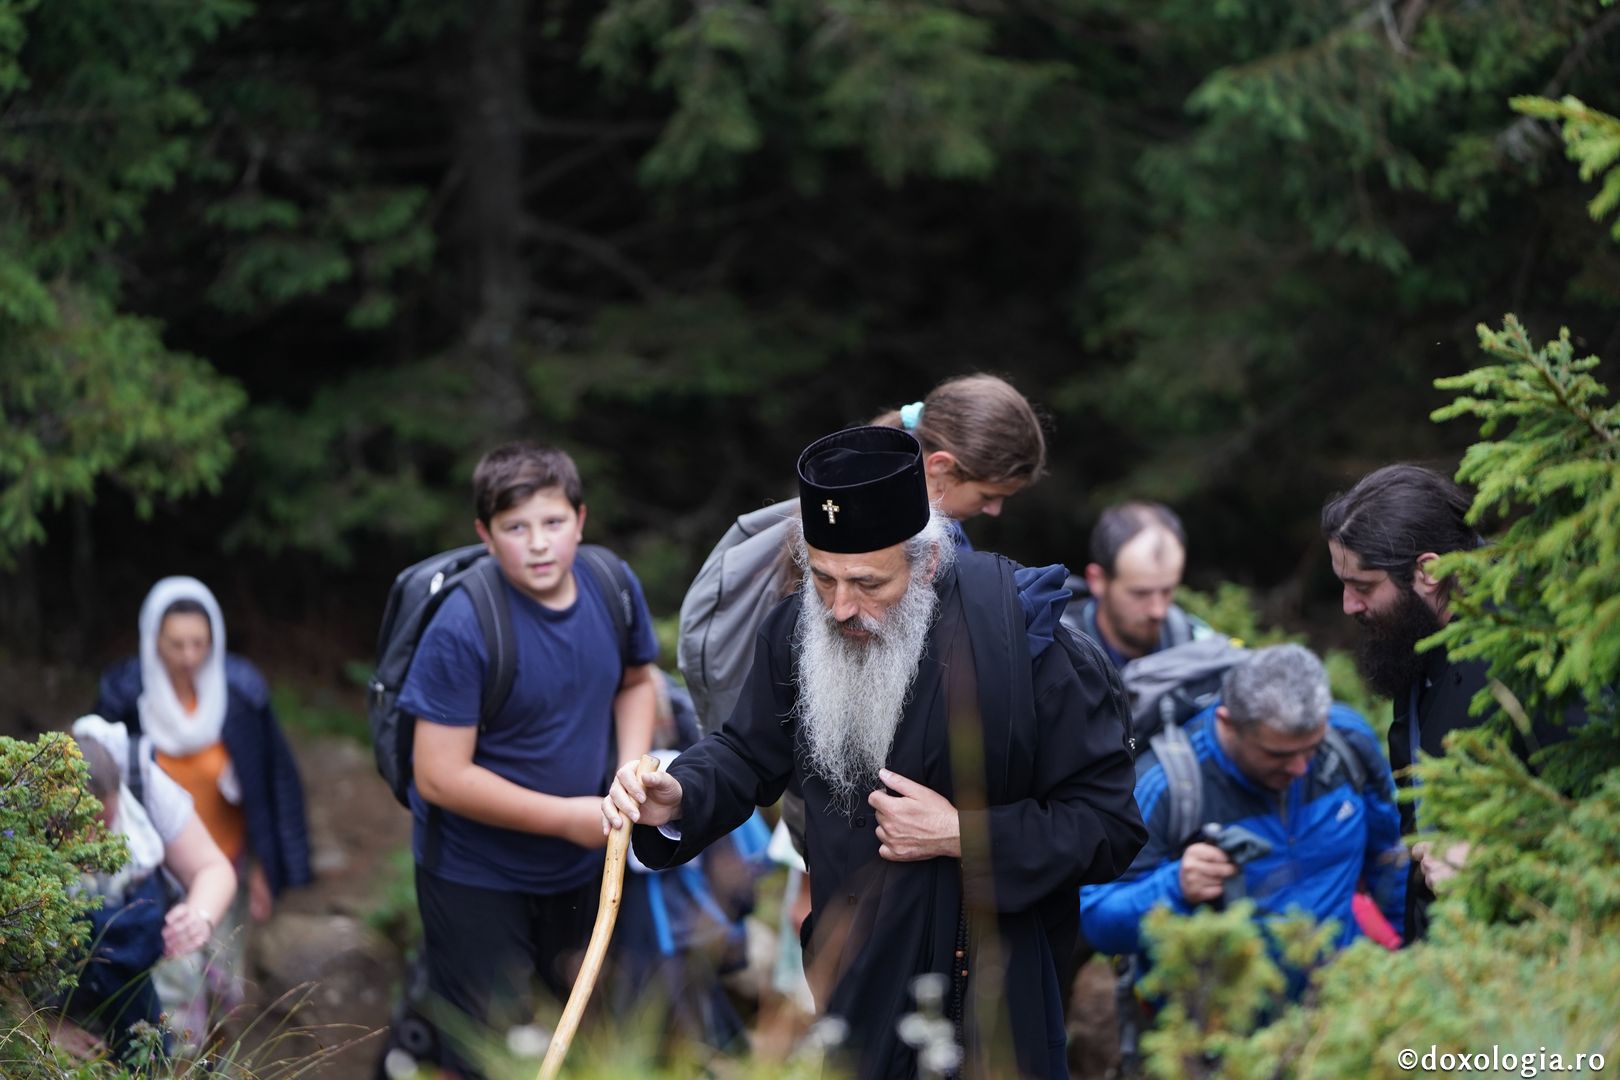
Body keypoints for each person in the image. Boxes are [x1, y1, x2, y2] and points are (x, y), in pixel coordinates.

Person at [606, 425, 1145, 1080]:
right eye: (823, 578)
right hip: (850, 972)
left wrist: (962, 834)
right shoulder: (794, 630)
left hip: (988, 992)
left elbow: (1110, 828)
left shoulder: (1030, 648)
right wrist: (678, 791)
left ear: (928, 563)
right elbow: (746, 753)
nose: (839, 608)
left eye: (868, 583)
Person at [399, 442, 659, 1077]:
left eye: (552, 523)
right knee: (483, 1053)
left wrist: (628, 771)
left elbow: (636, 679)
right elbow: (437, 773)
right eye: (516, 528)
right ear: (486, 536)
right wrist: (566, 817)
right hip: (476, 875)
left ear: (581, 520)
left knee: (602, 1039)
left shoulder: (610, 584)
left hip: (590, 861)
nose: (538, 543)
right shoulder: (463, 625)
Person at [1320, 463, 1573, 942]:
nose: (1349, 606)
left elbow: (1593, 805)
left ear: (1429, 571)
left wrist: (1494, 865)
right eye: (1344, 583)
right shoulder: (1416, 636)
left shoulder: (1530, 649)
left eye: (1364, 586)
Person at [1079, 645, 1406, 972]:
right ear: (1228, 723)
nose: (1301, 768)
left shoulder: (1347, 739)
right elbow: (1095, 919)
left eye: (1312, 749)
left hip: (1344, 1001)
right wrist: (1175, 887)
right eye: (1278, 755)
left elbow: (1389, 855)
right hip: (1221, 1013)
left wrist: (1407, 952)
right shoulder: (1167, 786)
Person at [93, 577, 311, 1039]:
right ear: (154, 639)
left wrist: (263, 868)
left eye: (199, 644)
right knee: (170, 971)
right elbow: (97, 777)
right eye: (176, 644)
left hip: (223, 857)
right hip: (152, 868)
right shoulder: (125, 696)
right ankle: (173, 1050)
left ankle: (219, 1049)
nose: (189, 656)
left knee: (223, 970)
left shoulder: (240, 695)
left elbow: (270, 780)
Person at [57, 715, 237, 1061]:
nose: (93, 843)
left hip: (152, 969)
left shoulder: (143, 783)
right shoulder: (19, 817)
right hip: (56, 996)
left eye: (104, 825)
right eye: (79, 829)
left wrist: (198, 916)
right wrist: (41, 1027)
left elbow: (213, 868)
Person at [1061, 502, 1210, 670]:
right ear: (1098, 580)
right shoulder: (1058, 653)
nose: (1158, 611)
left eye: (1167, 591)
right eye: (1141, 594)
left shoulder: (1199, 646)